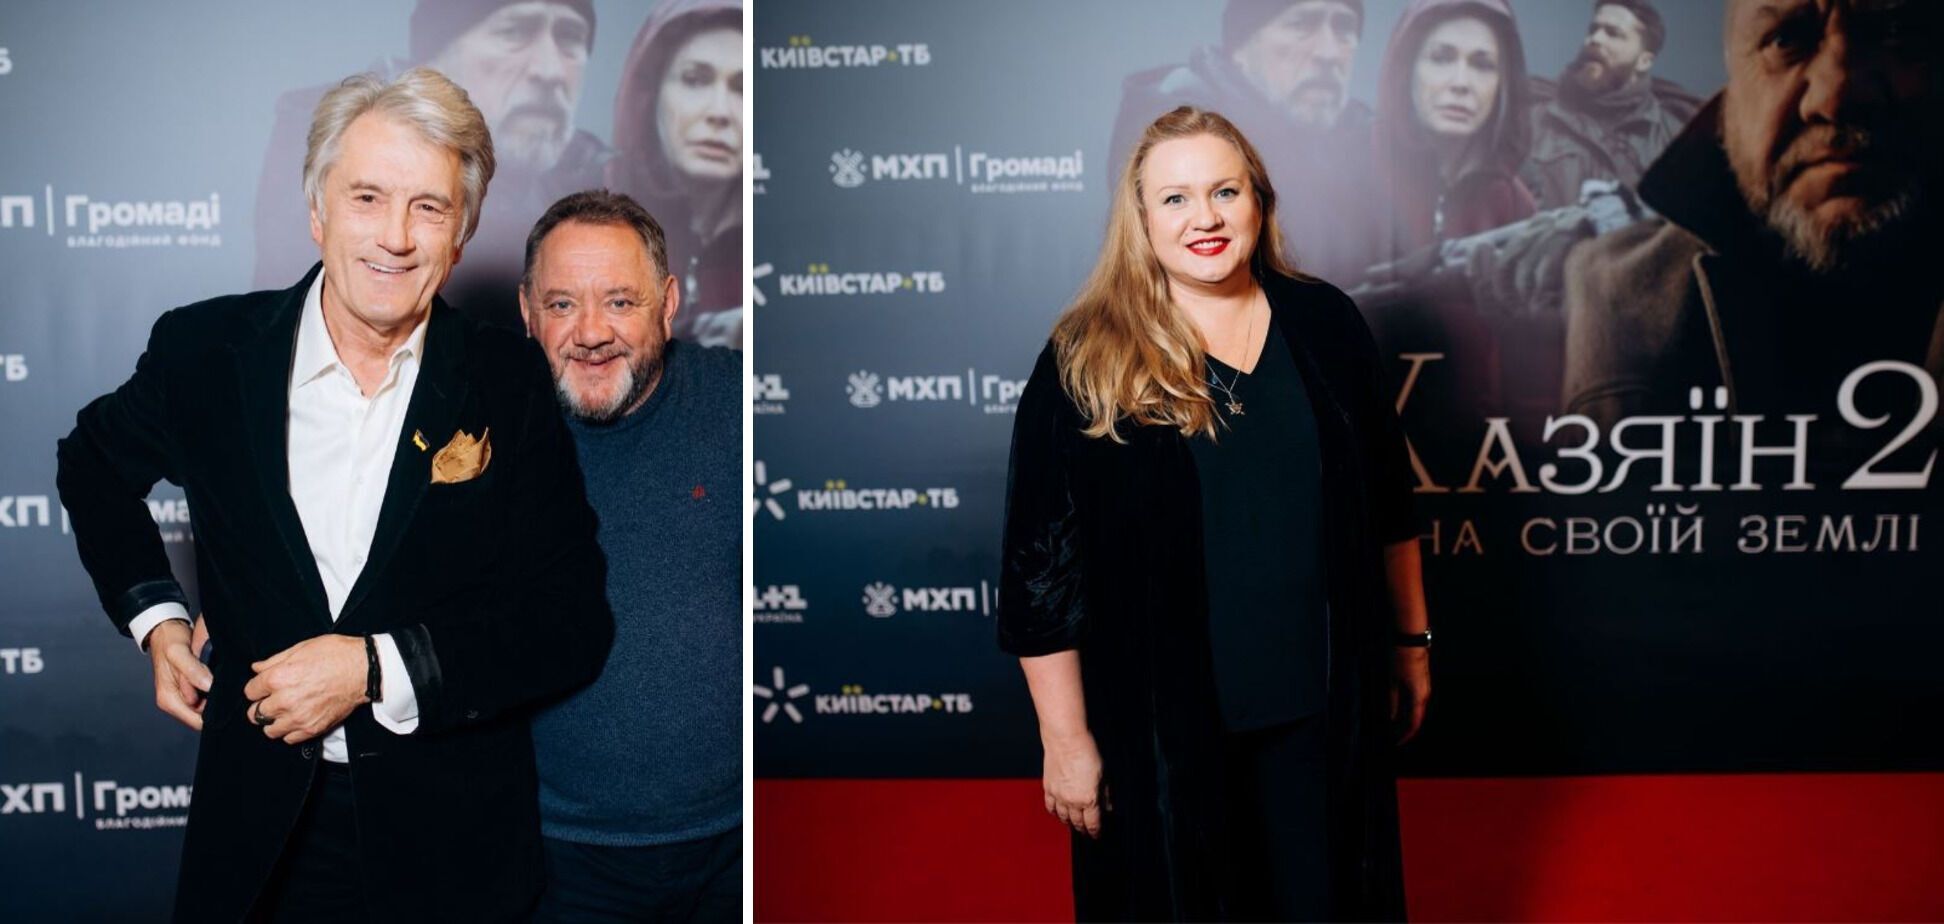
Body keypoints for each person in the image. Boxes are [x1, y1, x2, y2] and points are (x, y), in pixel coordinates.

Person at [56, 68, 614, 920]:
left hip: (453, 846)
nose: (394, 237)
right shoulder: (206, 353)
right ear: (316, 211)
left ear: (461, 234)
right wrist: (155, 618)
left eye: (428, 207)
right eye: (366, 197)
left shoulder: (507, 381)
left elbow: (569, 622)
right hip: (259, 837)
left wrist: (371, 667)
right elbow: (92, 463)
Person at [998, 105, 1431, 922]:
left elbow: (1388, 506)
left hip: (1322, 713)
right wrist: (1066, 740)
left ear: (1258, 201)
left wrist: (1410, 646)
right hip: (1162, 739)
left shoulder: (1327, 323)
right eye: (1175, 198)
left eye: (1224, 191)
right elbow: (1038, 574)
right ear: (1139, 219)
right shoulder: (1085, 355)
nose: (1205, 217)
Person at [1562, 0, 1944, 479]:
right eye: (1785, 40)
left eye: (1894, 32)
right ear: (1728, 100)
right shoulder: (1616, 295)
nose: (1834, 95)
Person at [517, 190, 742, 922]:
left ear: (668, 303)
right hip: (555, 856)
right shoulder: (484, 431)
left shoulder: (741, 405)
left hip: (735, 846)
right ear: (526, 311)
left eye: (620, 302)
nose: (590, 333)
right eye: (561, 306)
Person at [252, 0, 611, 331]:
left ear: (462, 234)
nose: (548, 70)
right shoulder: (340, 136)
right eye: (514, 33)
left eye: (570, 38)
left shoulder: (606, 180)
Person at [1108, 0, 1378, 283]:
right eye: (1301, 25)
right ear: (1240, 49)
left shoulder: (1372, 139)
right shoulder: (1169, 122)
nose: (1329, 52)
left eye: (1344, 28)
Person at [609, 0, 744, 349]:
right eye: (695, 80)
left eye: (743, 89)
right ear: (650, 96)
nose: (719, 112)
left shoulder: (781, 239)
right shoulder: (594, 211)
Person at [1371, 0, 1536, 256]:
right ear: (1406, 70)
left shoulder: (1516, 204)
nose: (1461, 83)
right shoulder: (1355, 170)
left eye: (1482, 65)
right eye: (1441, 58)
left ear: (1503, 83)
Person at [1523, 0, 1701, 210]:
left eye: (1613, 33)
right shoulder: (1531, 121)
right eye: (1593, 29)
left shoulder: (1674, 139)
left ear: (1644, 61)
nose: (1595, 39)